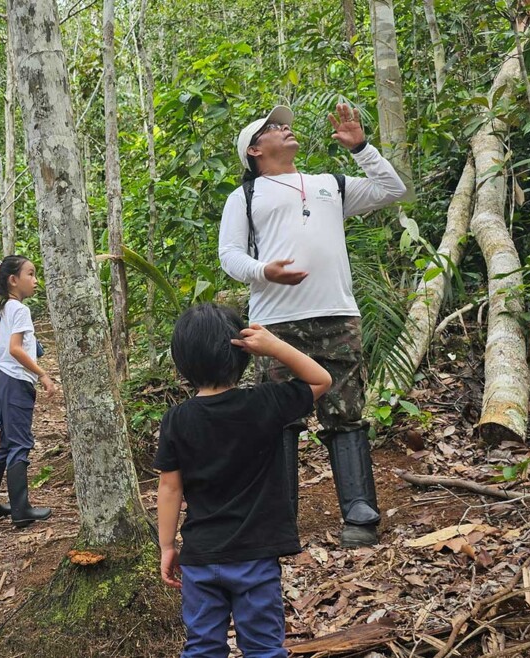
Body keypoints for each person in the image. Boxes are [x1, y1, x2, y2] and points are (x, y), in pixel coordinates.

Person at [218, 103, 408, 547]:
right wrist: (267, 271)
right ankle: (279, 521)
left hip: (337, 315)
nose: (284, 127)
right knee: (279, 419)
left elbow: (392, 189)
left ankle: (360, 515)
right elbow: (229, 256)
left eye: (284, 123)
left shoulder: (329, 185)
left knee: (345, 410)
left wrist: (361, 147)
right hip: (275, 325)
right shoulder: (244, 196)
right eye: (271, 127)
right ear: (254, 150)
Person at [156, 304, 332, 658]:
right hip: (255, 556)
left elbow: (170, 488)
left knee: (203, 648)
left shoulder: (176, 420)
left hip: (201, 557)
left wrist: (166, 547)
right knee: (264, 648)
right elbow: (321, 379)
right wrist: (275, 346)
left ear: (182, 364)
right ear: (242, 354)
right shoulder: (264, 402)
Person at [0, 256, 57, 528]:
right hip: (15, 380)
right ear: (13, 280)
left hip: (0, 378)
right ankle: (21, 509)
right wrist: (42, 374)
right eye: (31, 274)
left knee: (7, 442)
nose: (35, 280)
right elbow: (15, 348)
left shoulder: (3, 308)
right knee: (20, 443)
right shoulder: (20, 310)